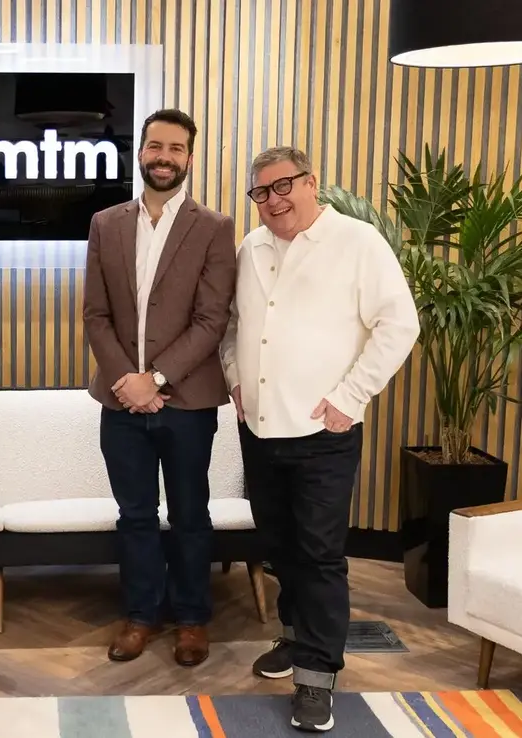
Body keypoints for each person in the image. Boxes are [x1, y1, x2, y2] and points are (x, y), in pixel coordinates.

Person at [220, 146, 419, 732]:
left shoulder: (357, 243)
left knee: (320, 555)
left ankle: (317, 674)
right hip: (258, 429)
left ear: (312, 183)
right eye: (261, 192)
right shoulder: (250, 248)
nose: (273, 200)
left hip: (322, 431)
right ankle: (293, 636)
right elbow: (233, 328)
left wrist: (350, 397)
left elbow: (399, 323)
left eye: (284, 186)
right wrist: (234, 381)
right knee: (281, 548)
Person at [82, 108, 237, 667]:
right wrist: (128, 381)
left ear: (189, 158)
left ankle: (193, 619)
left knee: (191, 514)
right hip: (120, 400)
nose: (164, 157)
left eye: (176, 148)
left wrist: (158, 379)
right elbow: (96, 314)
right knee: (136, 515)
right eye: (155, 146)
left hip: (188, 402)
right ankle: (142, 615)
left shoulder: (215, 227)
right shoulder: (106, 223)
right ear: (139, 152)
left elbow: (211, 319)